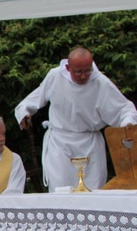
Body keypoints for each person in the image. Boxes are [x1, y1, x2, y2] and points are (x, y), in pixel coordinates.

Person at [15, 47, 137, 191]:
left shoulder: (100, 83)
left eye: (87, 70)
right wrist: (24, 112)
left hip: (90, 145)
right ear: (68, 67)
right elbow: (35, 98)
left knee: (93, 192)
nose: (84, 76)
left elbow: (124, 109)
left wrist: (127, 124)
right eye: (78, 71)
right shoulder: (55, 76)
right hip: (60, 145)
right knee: (60, 190)